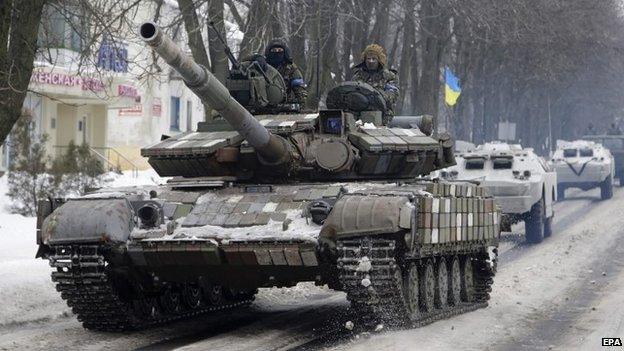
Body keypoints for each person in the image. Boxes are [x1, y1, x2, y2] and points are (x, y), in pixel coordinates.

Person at [351, 44, 399, 124]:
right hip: (360, 117)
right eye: (368, 59)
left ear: (379, 60)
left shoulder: (388, 76)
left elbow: (392, 95)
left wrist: (376, 95)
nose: (371, 61)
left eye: (374, 59)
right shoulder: (358, 76)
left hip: (383, 117)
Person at [264, 39, 307, 105]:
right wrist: (256, 57)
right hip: (264, 104)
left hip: (284, 106)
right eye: (274, 50)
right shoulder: (263, 66)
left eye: (280, 50)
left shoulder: (290, 68)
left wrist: (300, 104)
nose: (277, 52)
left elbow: (300, 88)